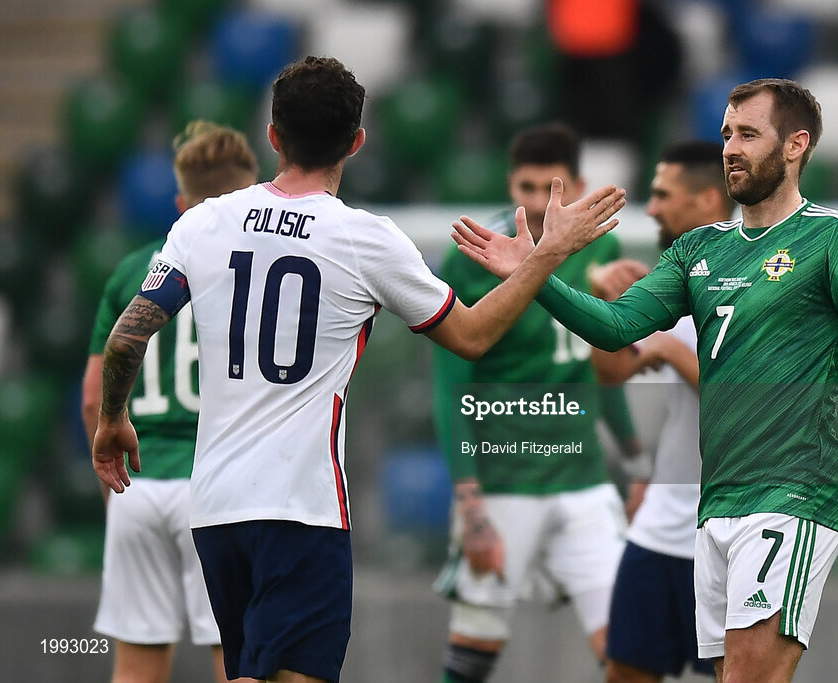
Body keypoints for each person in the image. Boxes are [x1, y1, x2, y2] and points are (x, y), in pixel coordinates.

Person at [90, 56, 627, 683]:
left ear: (273, 136)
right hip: (302, 506)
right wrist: (548, 255)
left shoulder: (201, 224)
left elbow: (128, 336)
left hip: (215, 507)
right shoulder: (364, 238)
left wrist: (111, 419)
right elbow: (474, 336)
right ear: (357, 142)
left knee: (242, 673)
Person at [451, 78, 838, 683]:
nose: (730, 147)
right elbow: (617, 328)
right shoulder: (698, 250)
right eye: (726, 134)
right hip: (715, 503)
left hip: (792, 495)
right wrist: (538, 269)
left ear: (797, 145)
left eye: (748, 134)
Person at [431, 122, 663, 683]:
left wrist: (634, 463)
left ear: (577, 185)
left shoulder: (601, 247)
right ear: (510, 184)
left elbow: (598, 370)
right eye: (526, 187)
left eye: (550, 188)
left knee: (628, 652)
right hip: (504, 479)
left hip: (582, 480)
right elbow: (451, 385)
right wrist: (470, 501)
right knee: (472, 659)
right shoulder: (473, 255)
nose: (536, 201)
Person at [82, 120, 260, 683]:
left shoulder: (134, 271)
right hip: (216, 487)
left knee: (136, 669)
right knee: (235, 662)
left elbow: (93, 397)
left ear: (183, 201)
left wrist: (112, 490)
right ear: (251, 197)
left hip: (136, 486)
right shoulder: (260, 271)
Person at [590, 141, 734, 683]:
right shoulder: (671, 283)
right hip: (661, 527)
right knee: (625, 671)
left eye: (662, 195)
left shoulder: (763, 286)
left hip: (731, 530)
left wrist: (673, 351)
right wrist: (606, 309)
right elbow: (611, 373)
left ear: (706, 200)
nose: (650, 209)